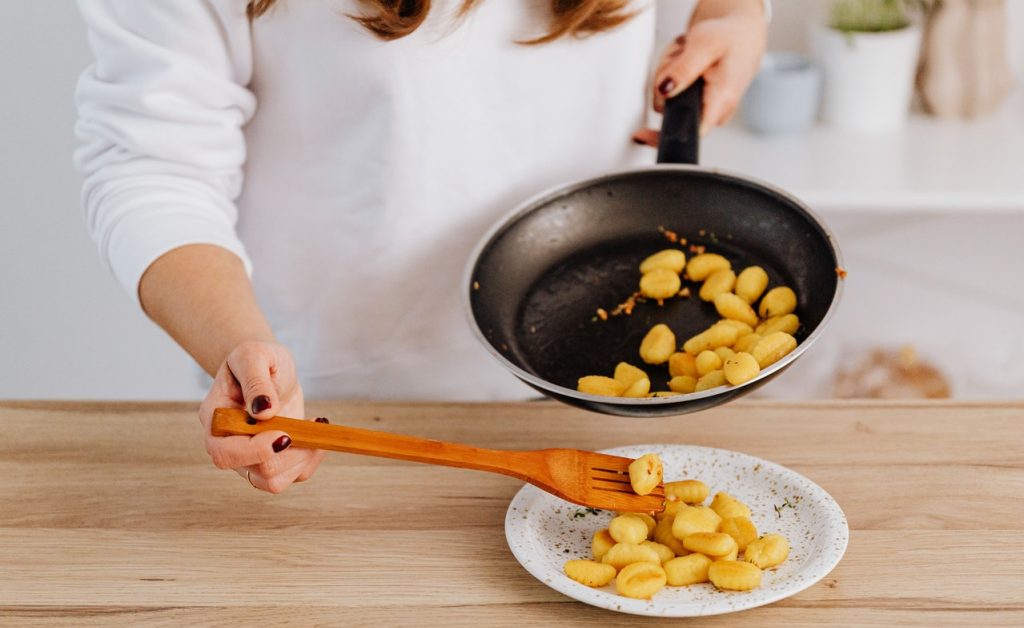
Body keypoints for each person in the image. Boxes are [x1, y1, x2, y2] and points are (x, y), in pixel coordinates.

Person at [75, 0, 768, 493]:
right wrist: (238, 345)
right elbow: (153, 165)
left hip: (602, 373)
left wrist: (731, 14)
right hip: (333, 413)